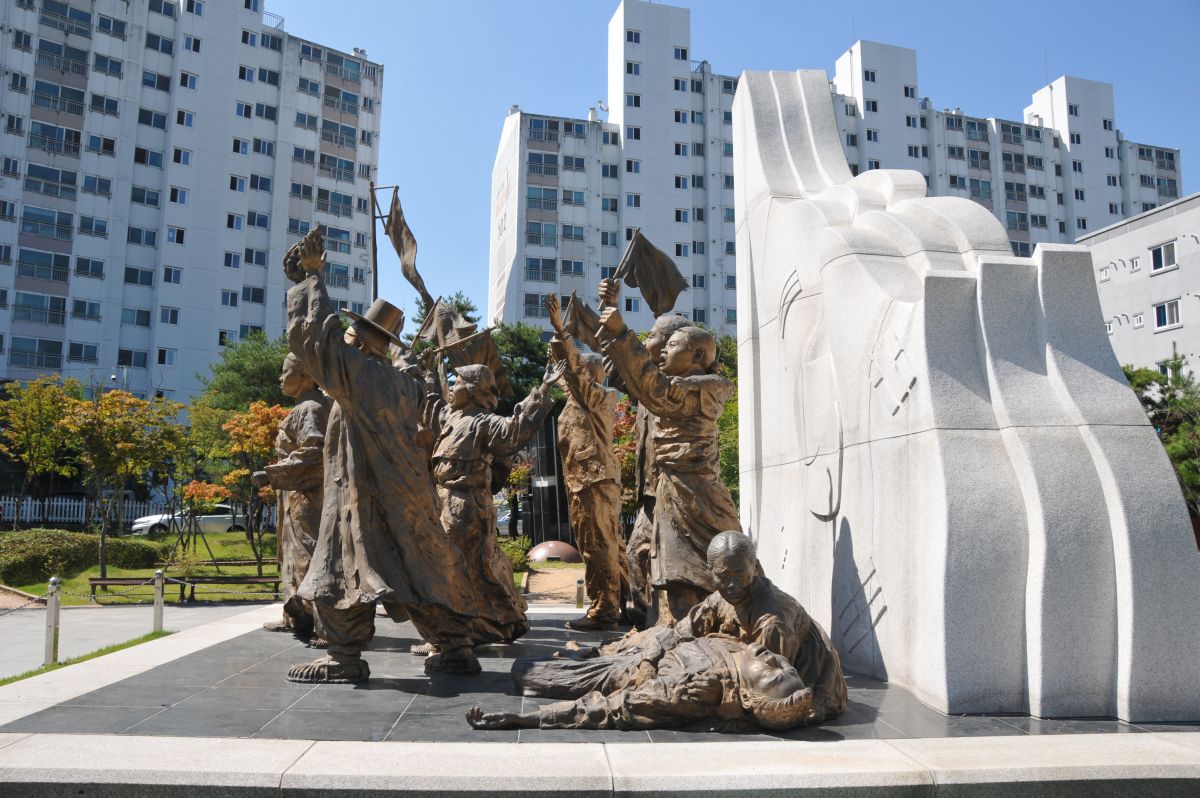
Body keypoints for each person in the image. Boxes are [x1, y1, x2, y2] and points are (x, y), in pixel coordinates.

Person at [282, 228, 501, 681]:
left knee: (339, 566)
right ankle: (455, 646)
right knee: (421, 564)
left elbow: (316, 343)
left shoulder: (358, 376)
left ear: (361, 341)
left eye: (350, 334)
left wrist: (313, 277)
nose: (344, 339)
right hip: (404, 495)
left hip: (362, 494)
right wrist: (304, 282)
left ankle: (343, 658)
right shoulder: (401, 382)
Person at [597, 279, 742, 624]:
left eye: (669, 344)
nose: (659, 350)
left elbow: (651, 385)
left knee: (687, 569)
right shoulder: (676, 385)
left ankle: (691, 628)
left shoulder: (693, 390)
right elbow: (632, 375)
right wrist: (610, 321)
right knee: (660, 563)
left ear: (696, 355)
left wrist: (619, 328)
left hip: (691, 493)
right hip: (672, 489)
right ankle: (659, 624)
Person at [426, 360, 561, 646]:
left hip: (466, 507)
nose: (451, 388)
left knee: (456, 569)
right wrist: (427, 373)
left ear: (473, 389)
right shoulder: (452, 418)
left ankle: (454, 636)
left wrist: (543, 389)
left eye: (457, 383)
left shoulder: (484, 422)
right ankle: (492, 624)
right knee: (472, 568)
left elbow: (514, 430)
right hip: (444, 502)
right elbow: (432, 408)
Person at [466, 628, 814, 732]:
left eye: (772, 676)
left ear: (749, 697)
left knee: (526, 671)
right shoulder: (745, 649)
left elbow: (616, 708)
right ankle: (586, 652)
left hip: (629, 669)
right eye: (789, 668)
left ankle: (581, 660)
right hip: (647, 643)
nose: (776, 660)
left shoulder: (698, 691)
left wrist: (526, 718)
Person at [676, 532, 847, 724]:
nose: (732, 585)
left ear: (755, 567)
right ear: (711, 572)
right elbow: (682, 633)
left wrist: (721, 691)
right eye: (723, 576)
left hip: (798, 682)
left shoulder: (773, 623)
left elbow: (767, 689)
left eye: (740, 574)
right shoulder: (724, 597)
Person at [544, 294, 623, 631]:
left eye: (570, 373)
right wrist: (557, 346)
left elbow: (574, 371)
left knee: (598, 545)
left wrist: (562, 332)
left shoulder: (594, 396)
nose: (563, 378)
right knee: (608, 543)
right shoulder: (579, 401)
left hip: (593, 480)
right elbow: (567, 371)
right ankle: (624, 602)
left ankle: (604, 610)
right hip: (586, 480)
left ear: (587, 375)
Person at [614, 311, 691, 627]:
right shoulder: (649, 382)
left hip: (669, 490)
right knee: (637, 554)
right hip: (650, 492)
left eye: (652, 335)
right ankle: (644, 621)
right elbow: (620, 370)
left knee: (660, 560)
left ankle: (661, 624)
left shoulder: (673, 385)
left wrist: (619, 330)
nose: (647, 340)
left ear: (670, 343)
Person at [252, 353, 330, 642]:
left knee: (309, 555)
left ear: (306, 377)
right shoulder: (304, 406)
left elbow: (314, 452)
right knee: (293, 557)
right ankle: (296, 617)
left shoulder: (311, 408)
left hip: (308, 496)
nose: (281, 378)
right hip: (294, 495)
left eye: (286, 372)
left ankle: (325, 624)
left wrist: (273, 473)